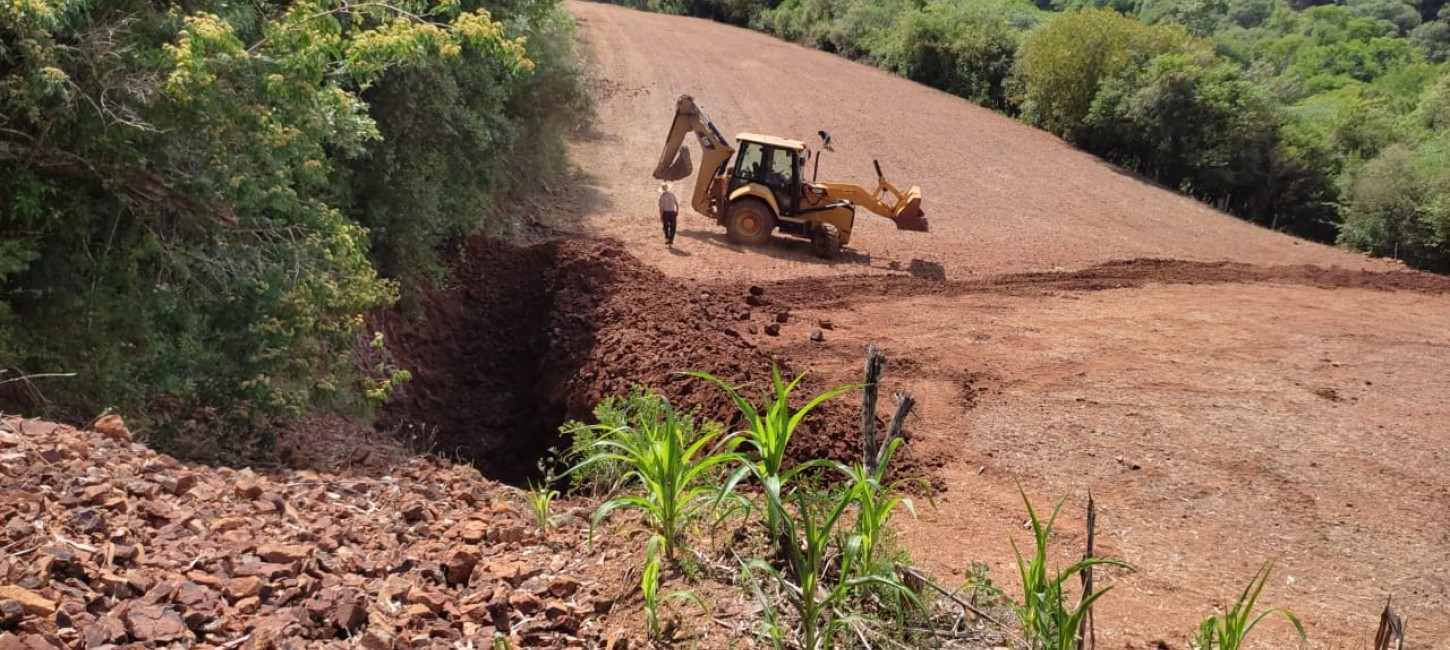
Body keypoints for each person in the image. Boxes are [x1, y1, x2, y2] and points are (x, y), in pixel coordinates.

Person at [658, 182, 679, 246]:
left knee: (666, 227)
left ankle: (667, 238)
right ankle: (671, 240)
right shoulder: (672, 194)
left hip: (666, 213)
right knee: (673, 227)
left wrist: (661, 216)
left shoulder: (662, 197)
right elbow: (677, 204)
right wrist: (677, 211)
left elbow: (661, 208)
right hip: (672, 212)